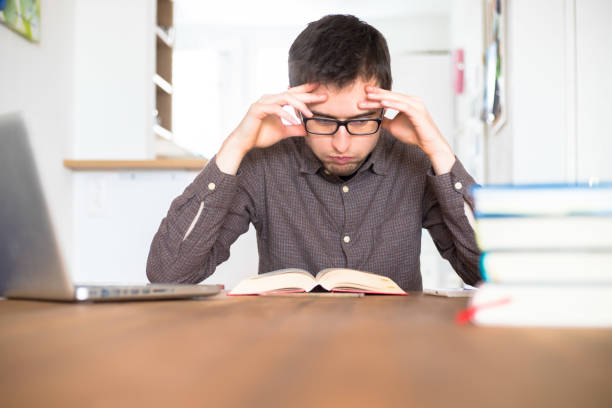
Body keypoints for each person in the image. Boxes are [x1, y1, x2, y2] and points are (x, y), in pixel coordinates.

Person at [147, 14, 481, 291]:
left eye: (361, 121)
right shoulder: (264, 163)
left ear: (384, 107)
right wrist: (236, 145)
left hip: (394, 348)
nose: (341, 144)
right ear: (298, 107)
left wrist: (438, 149)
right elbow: (169, 274)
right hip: (289, 348)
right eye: (323, 121)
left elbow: (486, 273)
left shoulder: (414, 161)